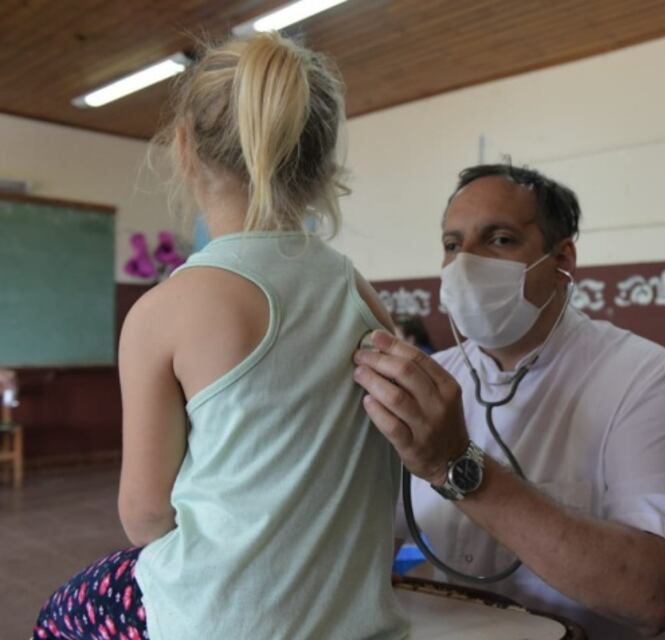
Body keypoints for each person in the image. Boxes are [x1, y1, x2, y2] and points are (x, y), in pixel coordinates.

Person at [32, 33, 408, 640]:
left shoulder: (165, 310)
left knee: (60, 615)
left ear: (183, 148)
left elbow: (146, 517)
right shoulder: (359, 294)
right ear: (321, 166)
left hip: (214, 619)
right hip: (354, 620)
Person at [352, 164, 665, 638]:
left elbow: (650, 596)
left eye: (499, 239)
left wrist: (455, 465)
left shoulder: (649, 381)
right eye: (452, 244)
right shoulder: (432, 379)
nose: (465, 263)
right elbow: (369, 544)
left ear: (562, 261)